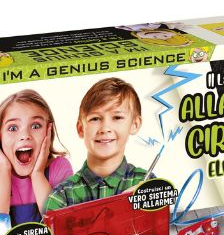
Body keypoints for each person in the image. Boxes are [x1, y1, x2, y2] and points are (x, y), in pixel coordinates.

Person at [0, 90, 73, 227]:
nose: (25, 135)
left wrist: (38, 174)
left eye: (35, 126)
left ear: (49, 132)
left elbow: (63, 225)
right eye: (13, 128)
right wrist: (4, 171)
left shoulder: (58, 168)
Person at [45, 77, 149, 211]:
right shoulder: (61, 196)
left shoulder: (147, 184)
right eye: (95, 119)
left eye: (117, 117)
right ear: (81, 129)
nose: (105, 128)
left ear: (135, 124)